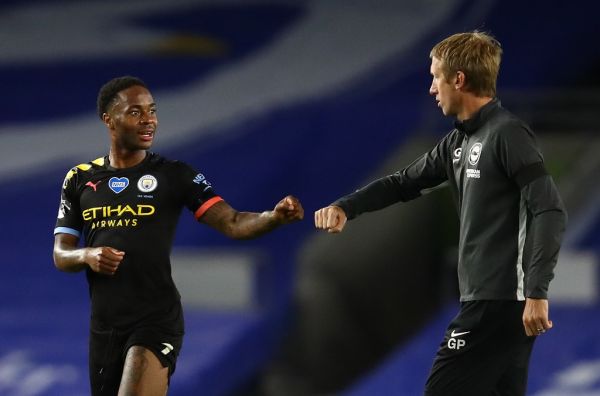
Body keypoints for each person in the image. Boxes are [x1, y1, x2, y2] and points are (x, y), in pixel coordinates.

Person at [314, 31, 567, 396]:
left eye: (436, 77)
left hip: (496, 303)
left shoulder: (507, 134)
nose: (432, 88)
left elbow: (549, 208)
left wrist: (538, 290)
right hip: (493, 304)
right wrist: (345, 207)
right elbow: (403, 183)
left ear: (459, 79)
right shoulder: (458, 142)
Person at [53, 76, 304, 395]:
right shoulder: (79, 180)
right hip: (104, 327)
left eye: (152, 110)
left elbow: (233, 221)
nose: (148, 120)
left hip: (156, 319)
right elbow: (61, 253)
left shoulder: (174, 175)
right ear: (109, 120)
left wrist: (274, 217)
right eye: (135, 112)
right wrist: (87, 255)